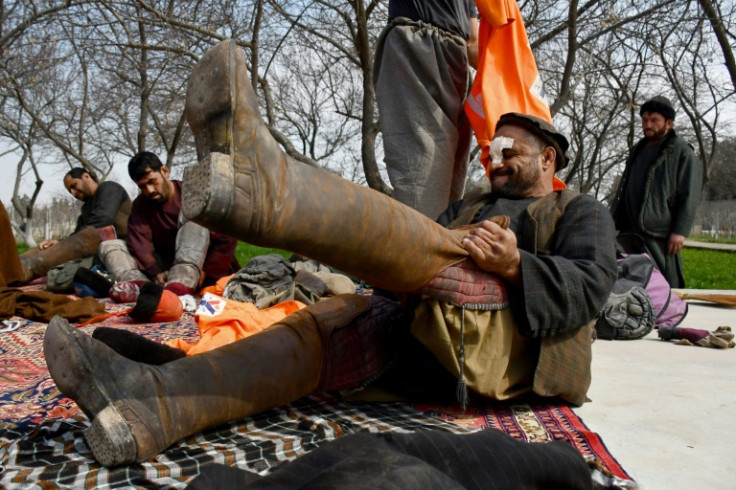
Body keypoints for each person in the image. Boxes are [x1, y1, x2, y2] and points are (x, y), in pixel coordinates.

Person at [44, 40, 616, 467]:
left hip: (505, 354)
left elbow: (591, 287)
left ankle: (268, 192)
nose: (496, 159)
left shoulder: (579, 212)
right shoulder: (469, 207)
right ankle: (152, 403)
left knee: (436, 247)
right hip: (430, 350)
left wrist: (515, 265)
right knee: (324, 329)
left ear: (550, 160)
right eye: (492, 151)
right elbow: (402, 272)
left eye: (512, 151)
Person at [373, 0, 478, 220]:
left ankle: (436, 245)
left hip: (458, 59)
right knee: (420, 169)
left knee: (450, 178)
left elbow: (474, 44)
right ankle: (411, 249)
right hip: (416, 42)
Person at [98, 152, 239, 295]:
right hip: (166, 273)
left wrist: (206, 271)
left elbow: (227, 236)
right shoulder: (140, 205)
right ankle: (140, 289)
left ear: (164, 171)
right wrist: (156, 273)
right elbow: (139, 244)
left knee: (190, 212)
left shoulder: (193, 194)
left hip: (203, 270)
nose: (149, 190)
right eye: (142, 186)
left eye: (152, 181)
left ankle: (181, 283)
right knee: (109, 245)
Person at [610, 96, 703, 288]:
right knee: (629, 275)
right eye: (645, 120)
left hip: (659, 228)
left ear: (668, 123)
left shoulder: (682, 152)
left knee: (663, 279)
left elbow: (690, 194)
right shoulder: (637, 149)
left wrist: (680, 231)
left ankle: (669, 310)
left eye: (654, 120)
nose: (648, 124)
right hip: (629, 226)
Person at [17, 168, 131, 284]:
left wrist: (65, 243)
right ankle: (14, 264)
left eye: (74, 185)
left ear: (86, 177)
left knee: (83, 238)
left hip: (121, 247)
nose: (73, 192)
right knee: (45, 248)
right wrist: (59, 242)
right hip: (95, 249)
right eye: (69, 190)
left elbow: (101, 221)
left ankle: (22, 271)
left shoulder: (109, 188)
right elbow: (77, 234)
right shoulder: (86, 208)